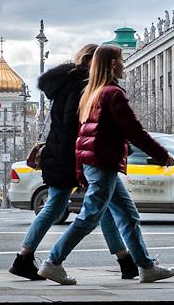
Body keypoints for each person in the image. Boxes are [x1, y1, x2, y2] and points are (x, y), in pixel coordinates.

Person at [38, 44, 174, 285]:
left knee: (128, 214)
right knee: (90, 216)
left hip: (98, 163)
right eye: (121, 60)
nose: (124, 65)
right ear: (113, 64)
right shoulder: (112, 93)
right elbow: (134, 130)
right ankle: (53, 262)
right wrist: (161, 154)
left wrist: (81, 169)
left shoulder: (92, 93)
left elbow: (82, 137)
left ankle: (146, 266)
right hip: (104, 162)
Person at [8, 44, 140, 282]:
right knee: (64, 205)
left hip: (63, 152)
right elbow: (76, 124)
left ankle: (125, 261)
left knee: (97, 205)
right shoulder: (82, 85)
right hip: (73, 154)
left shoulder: (66, 82)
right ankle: (25, 258)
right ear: (91, 61)